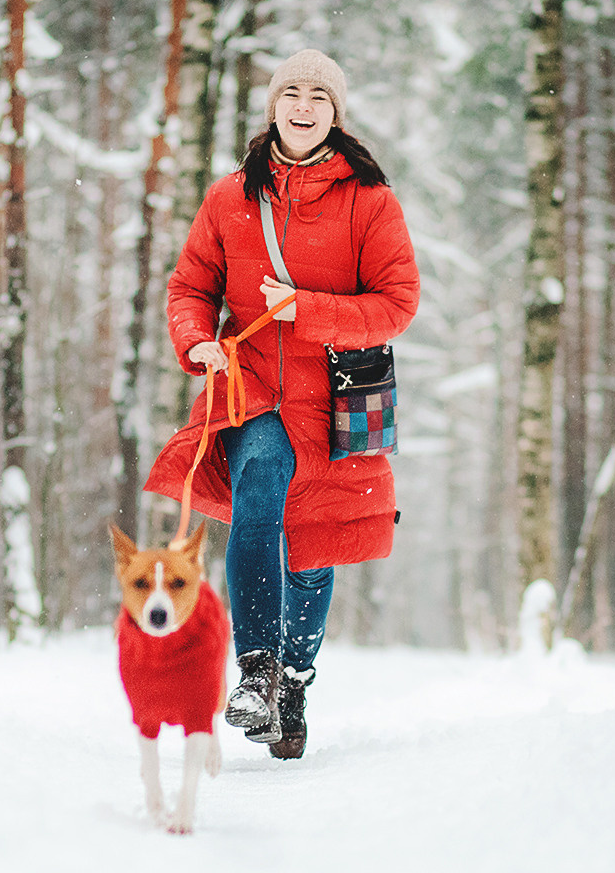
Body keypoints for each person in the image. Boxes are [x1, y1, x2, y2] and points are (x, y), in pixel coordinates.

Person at [143, 48, 420, 759]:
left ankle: (294, 682)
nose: (303, 105)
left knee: (311, 549)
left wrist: (307, 309)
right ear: (273, 107)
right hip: (254, 388)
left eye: (318, 96)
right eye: (291, 92)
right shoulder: (230, 197)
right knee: (259, 487)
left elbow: (397, 304)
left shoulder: (370, 201)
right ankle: (257, 670)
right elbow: (190, 287)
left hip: (337, 403)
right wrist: (197, 341)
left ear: (335, 114)